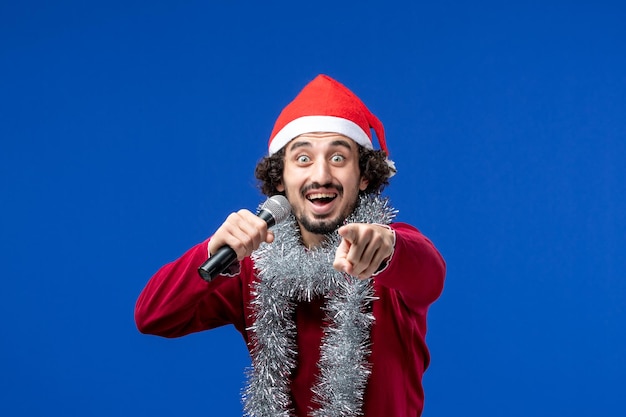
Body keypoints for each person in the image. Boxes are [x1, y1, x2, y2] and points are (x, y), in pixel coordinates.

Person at [135, 74, 446, 417]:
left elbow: (430, 273)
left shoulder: (389, 254)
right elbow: (153, 316)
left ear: (365, 176)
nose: (321, 175)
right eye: (302, 159)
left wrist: (386, 247)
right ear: (279, 179)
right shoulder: (254, 265)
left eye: (339, 158)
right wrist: (211, 251)